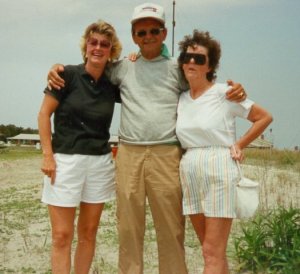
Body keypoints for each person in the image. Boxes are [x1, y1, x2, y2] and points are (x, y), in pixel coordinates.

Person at [46, 3, 247, 273]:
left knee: (171, 227)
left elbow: (206, 85)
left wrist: (236, 90)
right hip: (129, 154)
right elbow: (90, 66)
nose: (148, 36)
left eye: (154, 30)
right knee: (128, 229)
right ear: (133, 36)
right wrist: (56, 68)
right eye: (141, 32)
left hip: (166, 155)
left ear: (164, 34)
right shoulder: (120, 68)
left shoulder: (179, 69)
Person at [176, 30, 273, 274]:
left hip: (218, 166)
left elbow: (264, 117)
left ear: (210, 66)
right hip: (190, 168)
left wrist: (239, 144)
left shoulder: (224, 93)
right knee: (209, 250)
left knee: (212, 251)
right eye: (188, 57)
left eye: (199, 59)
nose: (191, 63)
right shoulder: (182, 97)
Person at [38, 20, 122, 274]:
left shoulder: (113, 83)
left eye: (104, 44)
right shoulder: (66, 75)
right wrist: (48, 155)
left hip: (99, 164)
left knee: (88, 233)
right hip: (65, 162)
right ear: (86, 46)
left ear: (111, 50)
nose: (98, 47)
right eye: (93, 42)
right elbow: (44, 115)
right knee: (62, 235)